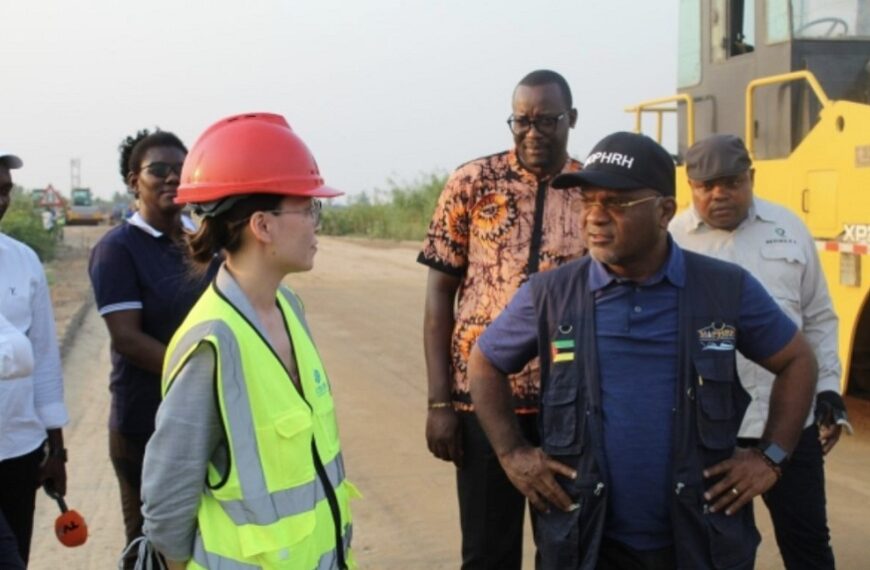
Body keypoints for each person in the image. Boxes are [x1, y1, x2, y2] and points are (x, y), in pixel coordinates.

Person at [467, 131, 818, 569]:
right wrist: (512, 453)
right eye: (587, 201)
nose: (595, 217)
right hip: (587, 545)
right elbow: (484, 361)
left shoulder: (724, 288)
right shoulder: (551, 294)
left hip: (699, 543)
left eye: (616, 203)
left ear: (664, 211)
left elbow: (797, 360)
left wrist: (771, 457)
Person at [140, 112, 356, 569]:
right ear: (262, 225)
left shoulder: (290, 309)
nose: (316, 223)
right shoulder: (211, 343)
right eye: (308, 209)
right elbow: (167, 504)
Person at [417, 69, 585, 569]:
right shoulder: (471, 183)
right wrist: (439, 402)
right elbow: (439, 298)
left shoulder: (589, 190)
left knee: (569, 549)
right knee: (487, 553)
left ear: (571, 119)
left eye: (547, 121)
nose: (533, 133)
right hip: (481, 406)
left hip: (567, 405)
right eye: (522, 121)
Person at [670, 134, 849, 569]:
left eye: (731, 182)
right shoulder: (671, 241)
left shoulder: (790, 229)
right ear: (690, 185)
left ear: (751, 177)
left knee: (808, 544)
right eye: (705, 185)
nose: (718, 194)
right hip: (707, 432)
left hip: (789, 423)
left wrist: (827, 389)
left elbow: (819, 317)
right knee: (714, 552)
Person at [87, 130, 219, 567]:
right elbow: (127, 338)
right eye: (158, 170)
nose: (172, 178)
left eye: (181, 170)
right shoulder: (117, 249)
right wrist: (201, 378)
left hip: (206, 418)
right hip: (147, 421)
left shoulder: (205, 244)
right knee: (152, 545)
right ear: (133, 181)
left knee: (206, 537)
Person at [0, 150, 69, 566]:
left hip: (19, 449)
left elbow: (43, 357)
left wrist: (56, 449)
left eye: (5, 190)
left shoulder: (23, 260)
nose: (1, 201)